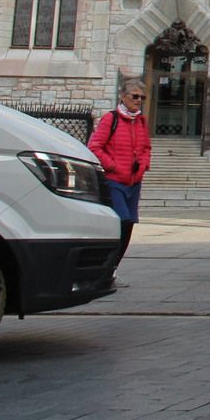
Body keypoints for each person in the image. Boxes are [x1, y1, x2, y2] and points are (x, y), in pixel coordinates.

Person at [88, 76, 152, 273]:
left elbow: (146, 148)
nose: (139, 100)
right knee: (122, 221)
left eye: (143, 97)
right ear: (123, 97)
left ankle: (113, 268)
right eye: (135, 96)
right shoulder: (111, 118)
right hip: (115, 180)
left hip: (134, 182)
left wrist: (143, 165)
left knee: (130, 223)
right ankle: (106, 267)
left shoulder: (140, 121)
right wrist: (112, 166)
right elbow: (95, 146)